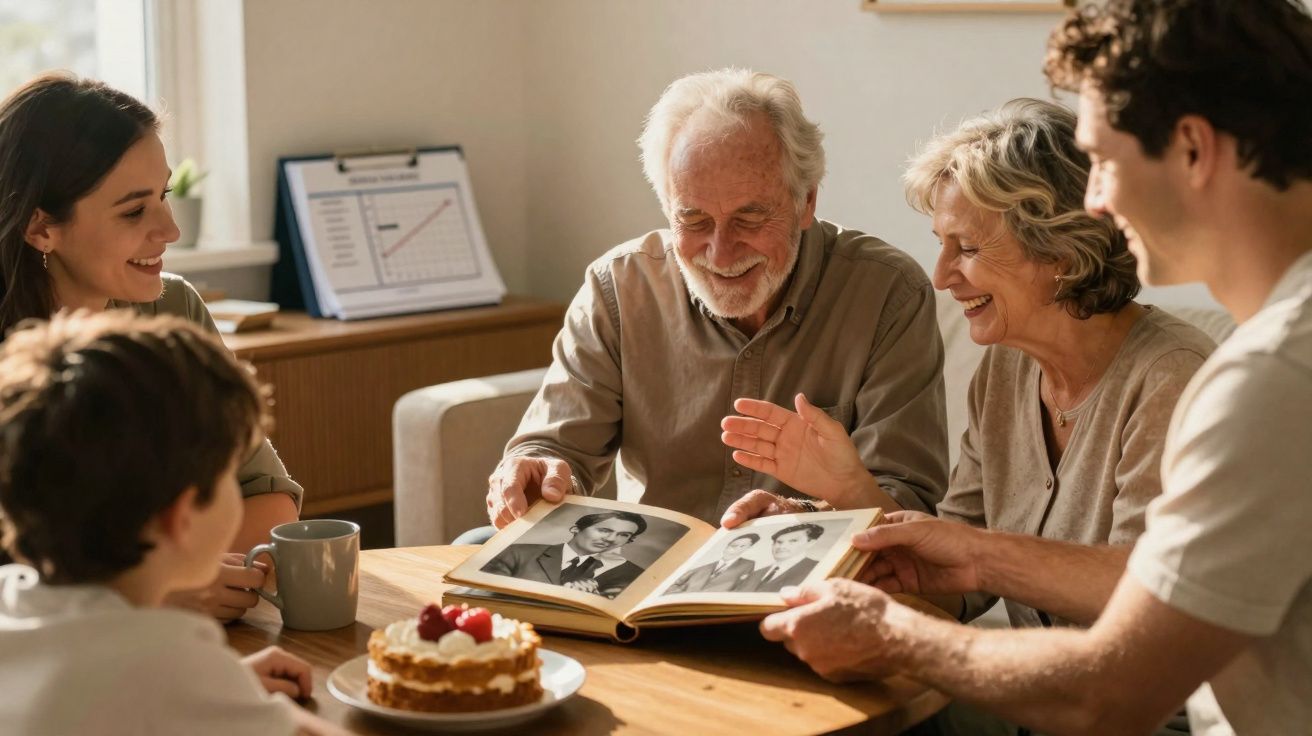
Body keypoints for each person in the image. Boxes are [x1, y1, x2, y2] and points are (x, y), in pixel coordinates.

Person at [760, 2, 1312, 734]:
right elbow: (964, 559)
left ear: (1191, 148)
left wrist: (891, 631)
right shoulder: (1273, 354)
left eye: (1104, 161)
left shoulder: (1265, 378)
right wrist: (857, 522)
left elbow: (1111, 692)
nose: (1096, 201)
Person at [723, 98, 1212, 634]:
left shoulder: (1172, 380)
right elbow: (960, 576)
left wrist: (971, 559)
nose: (940, 276)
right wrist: (837, 500)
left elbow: (1148, 600)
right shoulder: (1006, 370)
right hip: (1038, 698)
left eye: (969, 248)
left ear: (1064, 254)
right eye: (941, 245)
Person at [479, 68, 948, 535]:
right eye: (694, 219)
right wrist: (537, 469)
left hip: (801, 574)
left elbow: (905, 498)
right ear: (667, 208)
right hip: (646, 576)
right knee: (474, 546)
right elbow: (555, 448)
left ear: (806, 202)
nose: (720, 253)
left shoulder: (888, 294)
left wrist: (806, 514)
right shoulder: (619, 289)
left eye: (749, 218)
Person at [0, 73, 302, 622]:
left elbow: (268, 499)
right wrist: (150, 590)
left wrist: (176, 579)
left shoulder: (174, 312)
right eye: (134, 211)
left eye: (164, 194)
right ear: (41, 227)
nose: (170, 230)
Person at [0, 312, 346, 736]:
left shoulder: (8, 599)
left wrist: (223, 692)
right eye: (227, 478)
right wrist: (218, 693)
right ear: (182, 516)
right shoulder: (166, 665)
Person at [481, 511, 648, 598]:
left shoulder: (633, 573)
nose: (612, 539)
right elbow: (484, 594)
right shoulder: (517, 552)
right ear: (575, 529)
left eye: (623, 535)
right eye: (604, 530)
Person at [735, 524, 824, 593]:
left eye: (793, 541)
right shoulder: (755, 573)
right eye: (779, 542)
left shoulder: (819, 568)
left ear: (810, 543)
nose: (782, 546)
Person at [664, 532, 759, 594]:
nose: (738, 547)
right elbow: (674, 584)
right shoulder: (701, 567)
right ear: (728, 544)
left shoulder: (747, 565)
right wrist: (681, 594)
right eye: (735, 544)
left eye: (743, 546)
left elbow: (742, 589)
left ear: (748, 548)